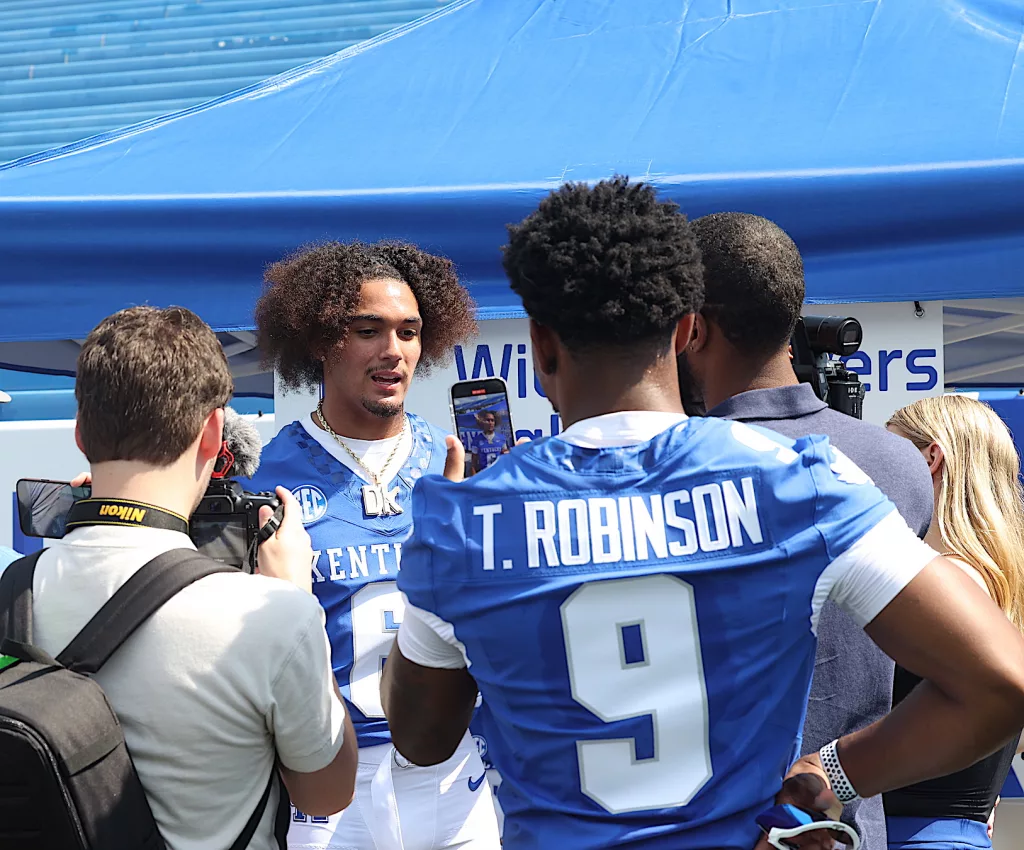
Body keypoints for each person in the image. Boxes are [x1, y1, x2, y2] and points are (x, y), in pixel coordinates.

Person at [378, 177, 1024, 850]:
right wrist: (834, 771)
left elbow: (420, 739)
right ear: (685, 330)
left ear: (541, 345)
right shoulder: (801, 482)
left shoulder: (466, 520)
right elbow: (1001, 681)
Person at [14, 306, 357, 850]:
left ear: (81, 434)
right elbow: (327, 793)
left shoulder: (14, 595)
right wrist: (295, 597)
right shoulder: (272, 616)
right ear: (215, 434)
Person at [676, 211, 935, 850]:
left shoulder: (678, 468)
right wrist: (839, 775)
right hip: (843, 824)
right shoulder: (896, 462)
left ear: (694, 328)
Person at [249, 241, 501, 850]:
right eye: (369, 330)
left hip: (456, 770)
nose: (394, 352)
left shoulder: (454, 466)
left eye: (410, 332)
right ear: (318, 340)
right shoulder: (263, 476)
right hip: (332, 783)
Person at [883, 395, 1024, 850]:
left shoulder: (941, 582)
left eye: (889, 453)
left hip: (907, 835)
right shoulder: (1004, 585)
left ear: (931, 458)